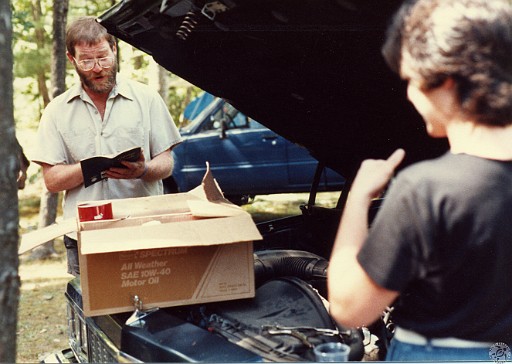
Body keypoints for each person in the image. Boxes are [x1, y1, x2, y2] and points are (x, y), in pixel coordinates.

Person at [327, 0, 512, 361]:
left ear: (444, 78)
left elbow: (350, 308)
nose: (410, 95)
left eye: (411, 80)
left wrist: (359, 197)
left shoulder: (425, 190)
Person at [32, 16, 182, 277]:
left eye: (103, 57)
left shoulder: (146, 98)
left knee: (151, 313)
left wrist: (143, 170)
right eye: (87, 61)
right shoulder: (56, 111)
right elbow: (52, 180)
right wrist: (89, 168)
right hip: (85, 234)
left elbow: (167, 163)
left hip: (143, 227)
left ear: (114, 49)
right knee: (94, 316)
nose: (97, 68)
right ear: (72, 59)